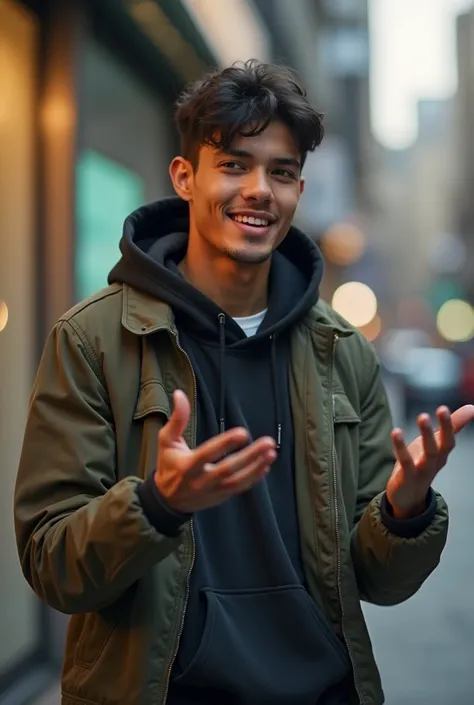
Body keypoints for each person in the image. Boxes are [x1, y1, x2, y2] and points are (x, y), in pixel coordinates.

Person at [14, 60, 474, 705]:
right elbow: (53, 564)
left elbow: (378, 579)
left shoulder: (343, 350)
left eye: (281, 172)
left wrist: (406, 510)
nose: (259, 189)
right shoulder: (93, 339)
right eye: (233, 164)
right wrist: (156, 504)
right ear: (185, 177)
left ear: (298, 190)